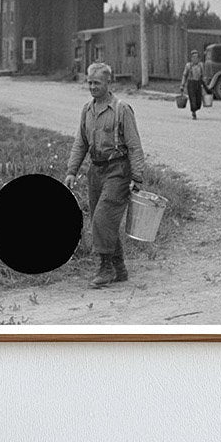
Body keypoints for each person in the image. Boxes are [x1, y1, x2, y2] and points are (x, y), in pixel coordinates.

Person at [64, 62, 146, 289]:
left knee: (102, 218)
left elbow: (135, 146)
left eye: (97, 83)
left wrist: (137, 178)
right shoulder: (86, 110)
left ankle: (105, 267)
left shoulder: (122, 109)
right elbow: (80, 143)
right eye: (89, 82)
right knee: (104, 221)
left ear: (108, 83)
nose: (92, 87)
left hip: (118, 171)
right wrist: (72, 171)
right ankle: (119, 268)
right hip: (95, 171)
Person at [180, 49, 208, 120]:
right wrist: (182, 85)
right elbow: (184, 75)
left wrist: (205, 83)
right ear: (191, 58)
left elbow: (203, 75)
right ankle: (193, 112)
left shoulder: (201, 65)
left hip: (198, 83)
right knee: (192, 99)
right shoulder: (188, 66)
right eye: (193, 57)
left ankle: (196, 108)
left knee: (199, 100)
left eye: (196, 57)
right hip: (191, 83)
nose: (195, 59)